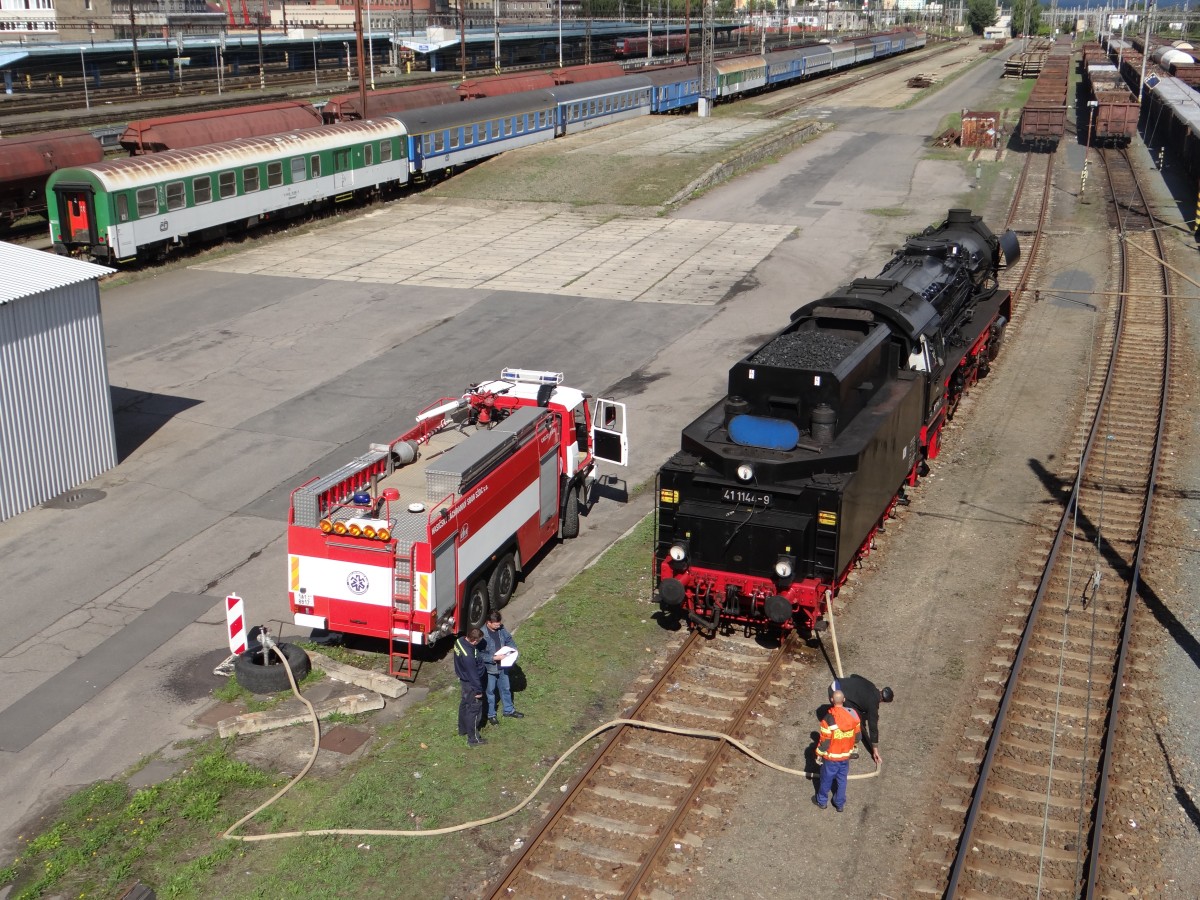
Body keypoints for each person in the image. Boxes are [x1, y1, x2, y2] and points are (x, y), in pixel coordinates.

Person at [814, 689, 861, 812]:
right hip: (845, 757)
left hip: (831, 758)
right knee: (842, 780)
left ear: (831, 700)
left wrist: (818, 753)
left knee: (826, 780)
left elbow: (825, 742)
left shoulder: (827, 719)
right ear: (844, 700)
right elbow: (858, 737)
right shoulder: (853, 715)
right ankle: (839, 804)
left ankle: (822, 801)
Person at [831, 674, 894, 765]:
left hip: (839, 682)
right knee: (849, 721)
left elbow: (854, 676)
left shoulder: (871, 686)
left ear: (881, 690)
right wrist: (875, 750)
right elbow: (873, 727)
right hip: (835, 693)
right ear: (883, 701)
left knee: (856, 712)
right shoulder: (872, 705)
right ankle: (845, 749)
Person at [481, 611, 524, 725]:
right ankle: (491, 715)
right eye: (496, 624)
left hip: (503, 666)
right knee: (490, 692)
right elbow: (479, 655)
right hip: (490, 669)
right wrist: (493, 658)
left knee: (506, 688)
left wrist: (513, 651)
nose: (498, 626)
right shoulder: (482, 634)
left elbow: (509, 640)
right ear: (488, 622)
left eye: (499, 623)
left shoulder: (501, 629)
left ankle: (509, 710)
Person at [453, 627, 487, 747]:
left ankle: (463, 729)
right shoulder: (468, 656)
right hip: (471, 683)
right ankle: (473, 738)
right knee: (474, 709)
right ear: (474, 640)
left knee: (465, 705)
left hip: (464, 681)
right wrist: (478, 691)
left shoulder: (459, 641)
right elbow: (473, 675)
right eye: (479, 641)